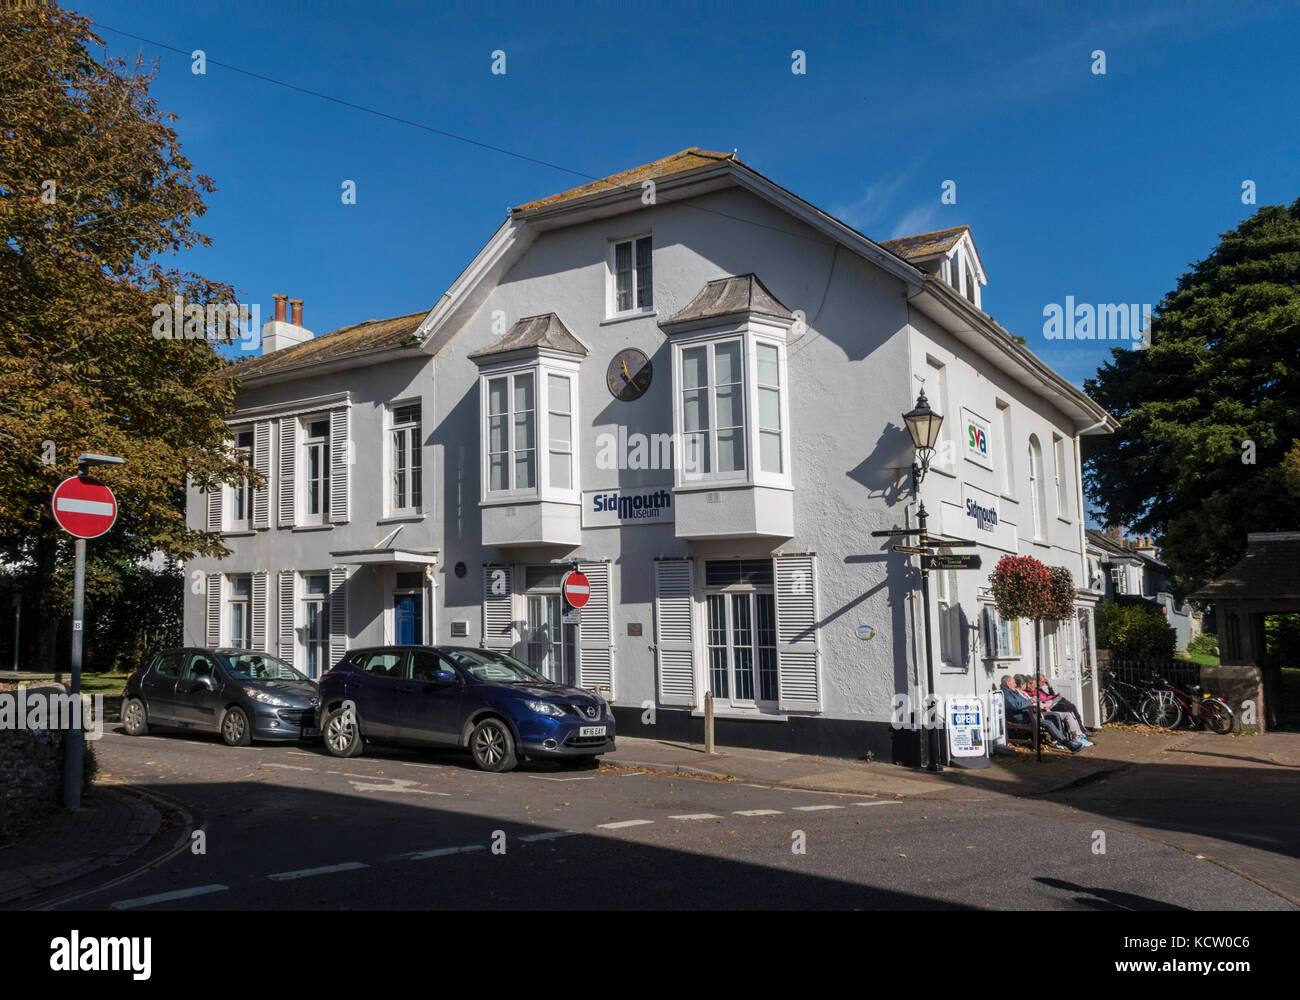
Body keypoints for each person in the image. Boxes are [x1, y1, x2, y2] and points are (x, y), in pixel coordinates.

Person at [999, 675, 1083, 752]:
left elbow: (1023, 702)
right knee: (1048, 723)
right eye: (1013, 682)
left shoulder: (1013, 691)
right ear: (1008, 683)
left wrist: (1031, 702)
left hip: (1028, 713)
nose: (1015, 684)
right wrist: (1030, 701)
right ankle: (1069, 745)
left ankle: (1060, 740)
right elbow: (1016, 706)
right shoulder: (1006, 694)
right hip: (1021, 717)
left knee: (1054, 715)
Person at [1026, 674, 1093, 746]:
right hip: (1047, 709)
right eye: (1042, 682)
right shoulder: (1031, 692)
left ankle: (1079, 736)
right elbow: (1039, 702)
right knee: (1068, 708)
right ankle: (1080, 733)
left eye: (1044, 681)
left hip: (1050, 704)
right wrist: (1049, 701)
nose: (1043, 683)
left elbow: (1048, 696)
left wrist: (1049, 686)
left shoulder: (1038, 689)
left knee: (1070, 710)